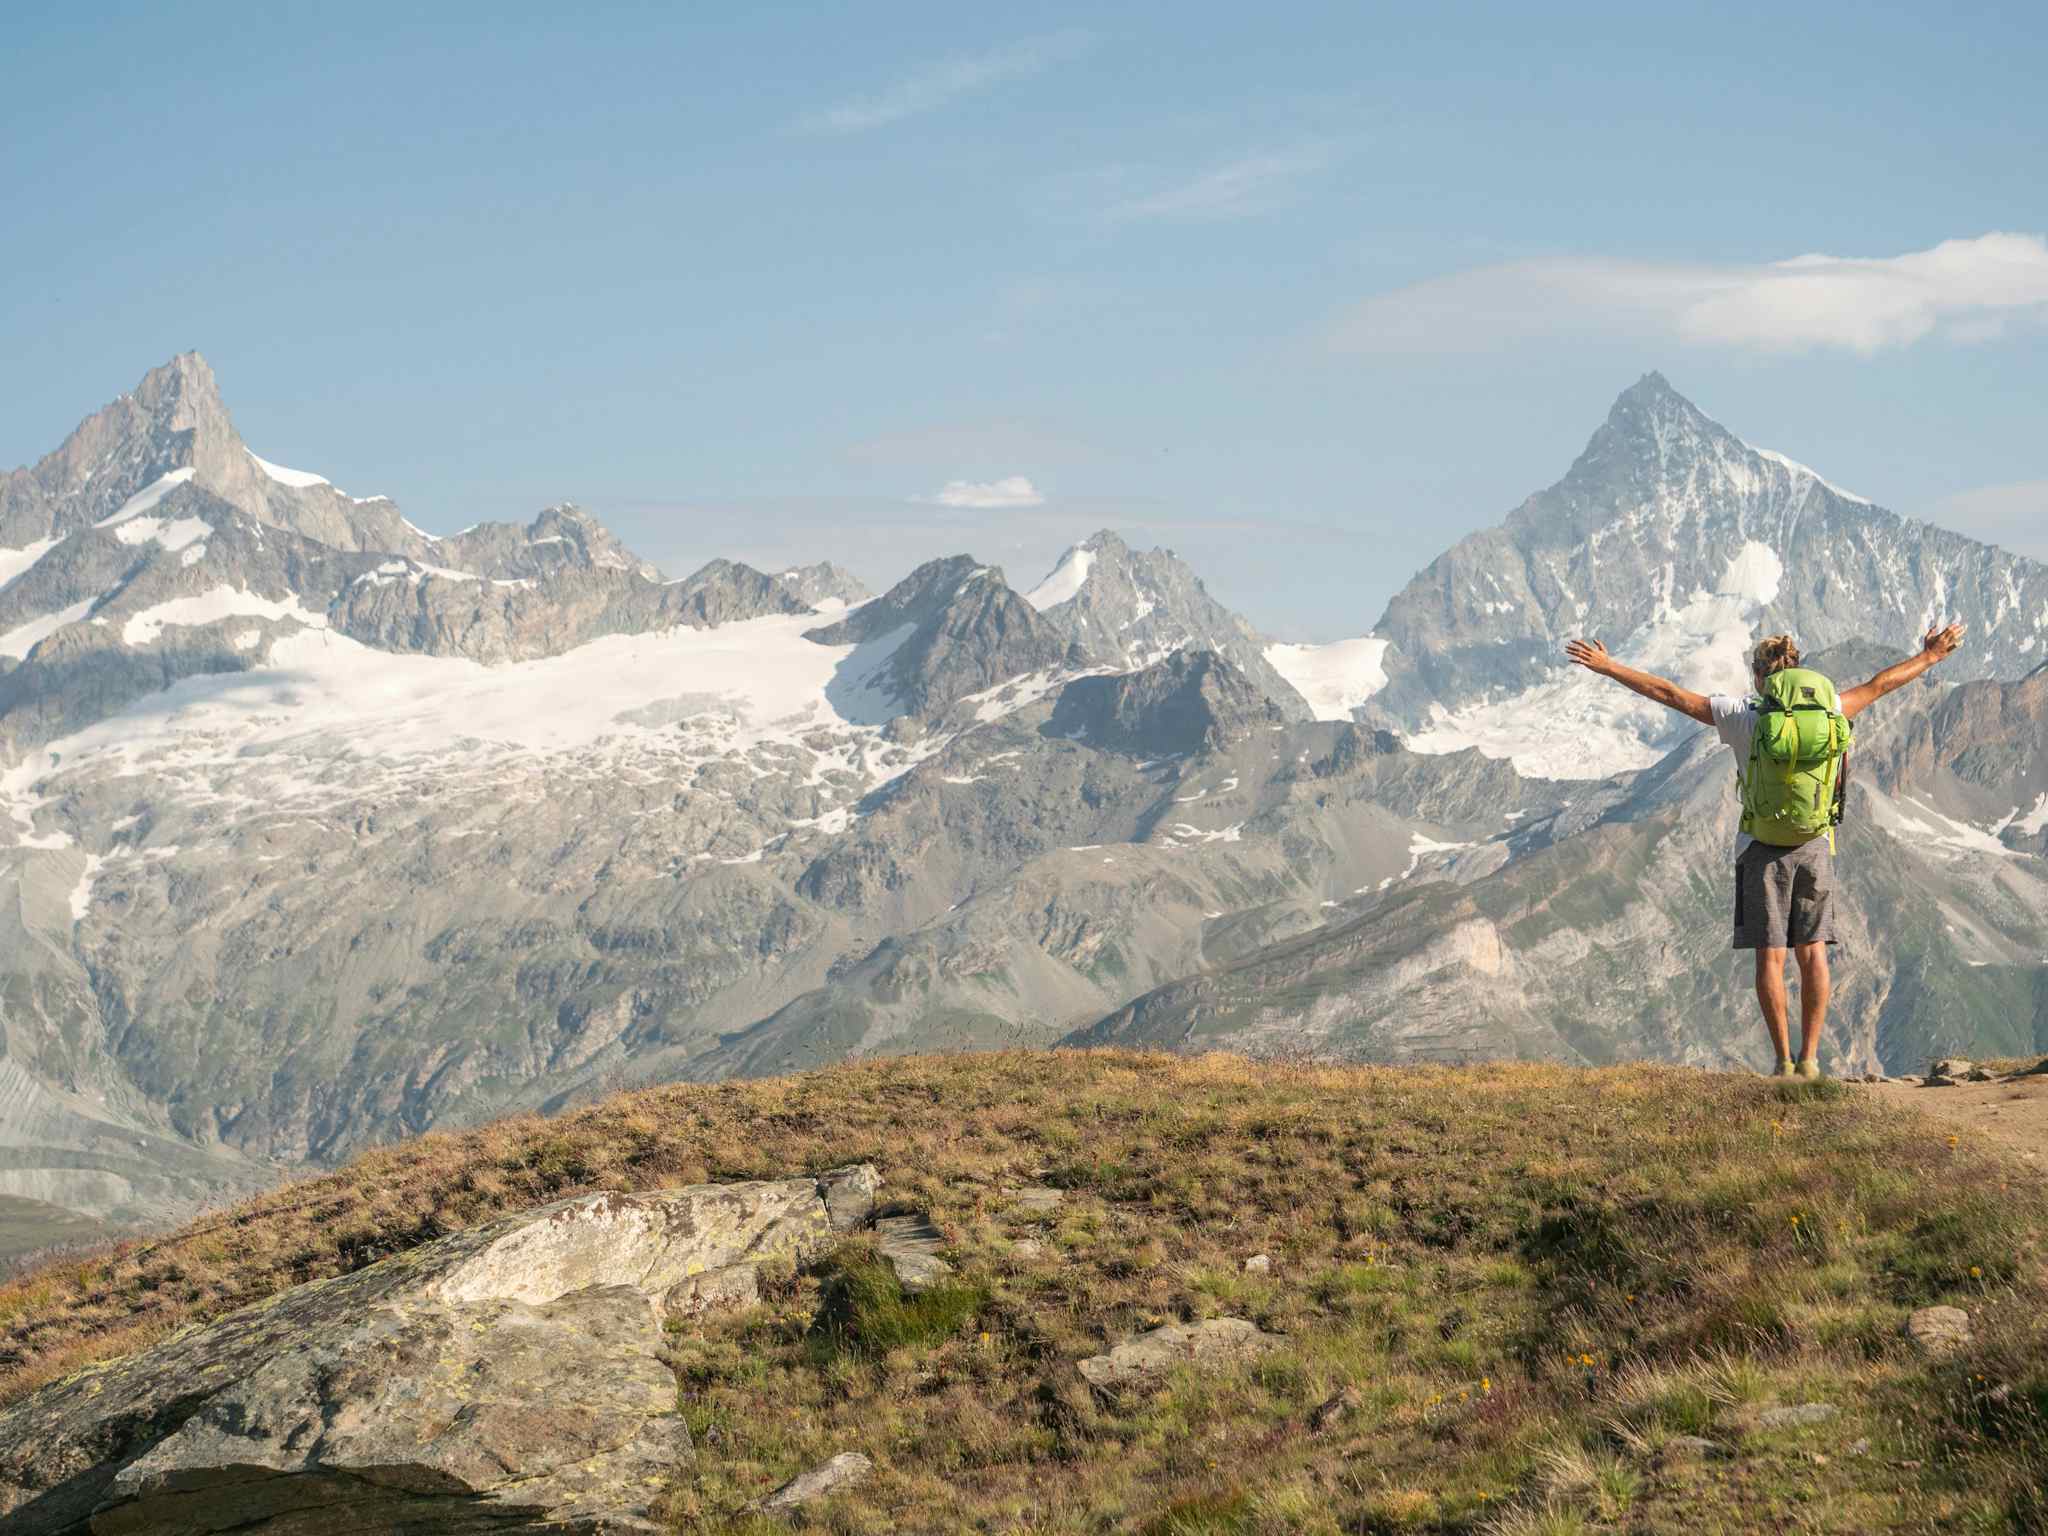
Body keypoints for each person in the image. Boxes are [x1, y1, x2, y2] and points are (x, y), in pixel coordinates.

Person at [1564, 620, 1968, 1078]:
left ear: (1759, 675)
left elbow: (1671, 694)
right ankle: (1812, 1060)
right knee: (1813, 952)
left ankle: (1782, 1062)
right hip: (1815, 843)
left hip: (1761, 848)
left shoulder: (1742, 714)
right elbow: (1880, 685)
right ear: (1797, 670)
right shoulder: (1831, 708)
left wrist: (1609, 666)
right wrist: (1931, 656)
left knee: (1770, 957)